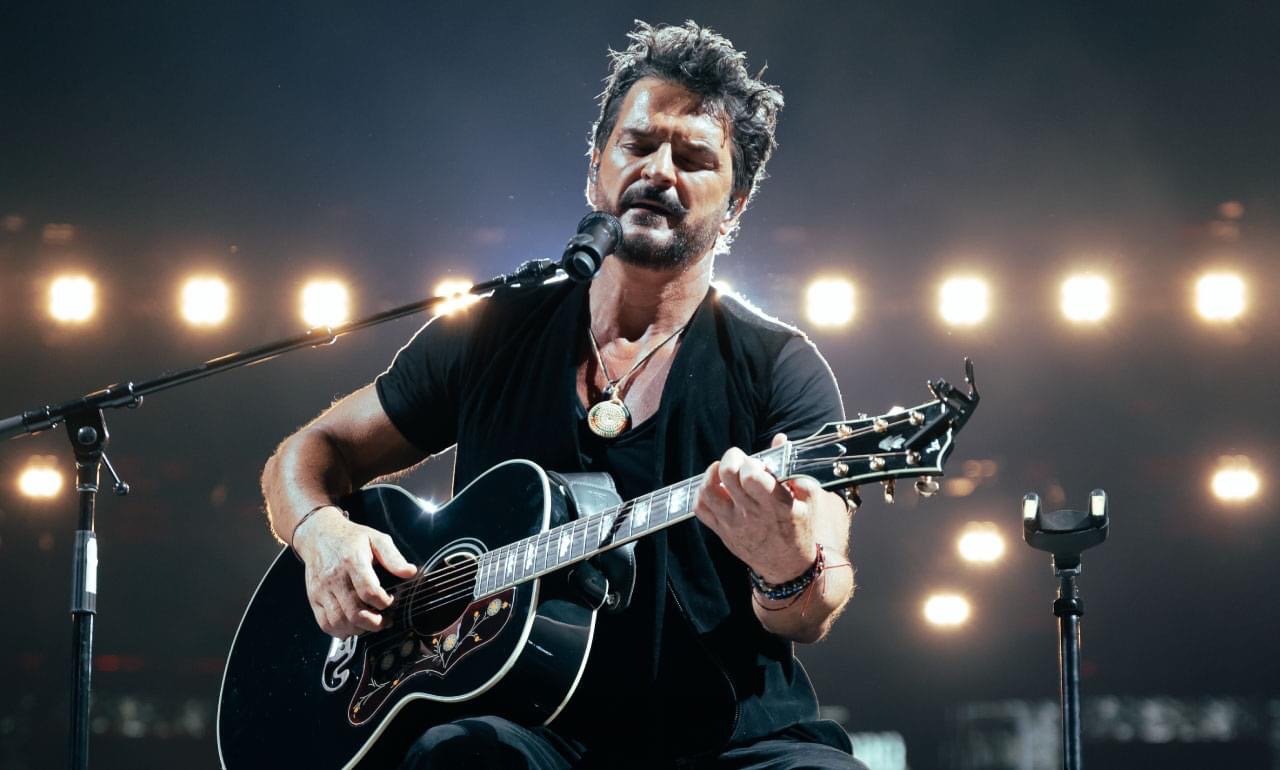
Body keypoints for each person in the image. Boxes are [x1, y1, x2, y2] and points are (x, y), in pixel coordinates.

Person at [262, 20, 866, 769]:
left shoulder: (780, 367)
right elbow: (306, 454)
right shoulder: (495, 331)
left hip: (729, 741)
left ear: (735, 203)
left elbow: (814, 605)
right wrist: (322, 535)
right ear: (595, 169)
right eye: (638, 145)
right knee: (459, 758)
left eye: (693, 159)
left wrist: (788, 566)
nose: (659, 172)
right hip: (526, 732)